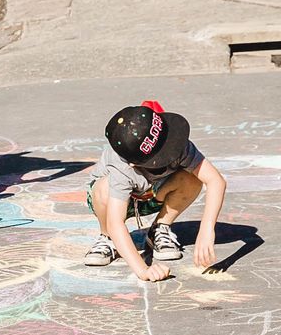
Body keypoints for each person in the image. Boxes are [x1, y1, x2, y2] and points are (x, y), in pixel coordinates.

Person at [86, 102, 229, 281]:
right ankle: (107, 238)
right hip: (118, 203)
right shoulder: (121, 167)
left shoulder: (176, 141)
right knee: (103, 188)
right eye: (161, 156)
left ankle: (159, 228)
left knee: (192, 177)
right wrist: (143, 270)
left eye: (167, 147)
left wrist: (207, 230)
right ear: (134, 163)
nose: (169, 153)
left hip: (153, 195)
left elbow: (216, 181)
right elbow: (116, 222)